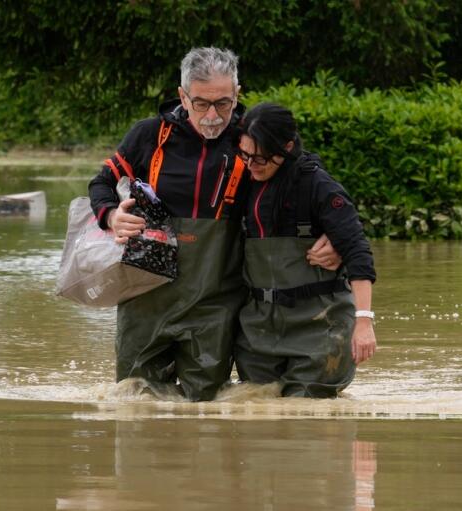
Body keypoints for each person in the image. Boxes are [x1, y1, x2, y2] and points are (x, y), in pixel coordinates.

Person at [87, 48, 340, 401]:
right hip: (144, 298)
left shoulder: (254, 137)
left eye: (223, 103)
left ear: (237, 94)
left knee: (204, 408)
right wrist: (112, 215)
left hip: (217, 302)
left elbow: (313, 186)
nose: (212, 116)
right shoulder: (148, 136)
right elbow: (100, 184)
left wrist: (334, 235)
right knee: (134, 402)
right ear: (182, 96)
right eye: (201, 104)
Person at [234, 103, 377, 398]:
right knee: (257, 410)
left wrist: (364, 322)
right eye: (245, 155)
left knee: (309, 420)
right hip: (258, 330)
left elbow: (358, 252)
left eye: (261, 158)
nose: (251, 165)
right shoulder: (243, 182)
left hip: (319, 328)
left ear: (287, 147)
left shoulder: (318, 186)